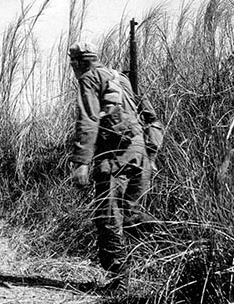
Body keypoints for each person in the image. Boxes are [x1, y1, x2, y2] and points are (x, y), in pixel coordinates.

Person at [68, 41, 159, 293]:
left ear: (78, 63)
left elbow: (87, 121)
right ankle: (171, 245)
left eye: (73, 65)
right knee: (131, 214)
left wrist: (82, 162)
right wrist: (150, 153)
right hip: (140, 153)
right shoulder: (121, 78)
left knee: (108, 218)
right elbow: (150, 116)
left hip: (115, 155)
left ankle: (119, 283)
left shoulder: (89, 78)